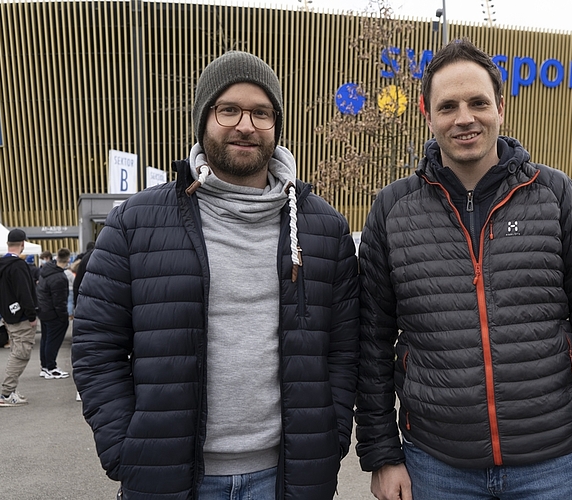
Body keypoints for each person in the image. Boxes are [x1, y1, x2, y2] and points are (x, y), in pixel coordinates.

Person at [356, 40, 572, 500]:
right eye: (447, 106)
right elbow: (370, 344)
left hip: (553, 463)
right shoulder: (393, 209)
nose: (464, 117)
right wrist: (382, 455)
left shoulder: (555, 195)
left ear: (501, 107)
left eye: (477, 102)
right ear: (426, 114)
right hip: (435, 467)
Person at [71, 51, 359, 500]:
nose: (245, 125)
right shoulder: (135, 223)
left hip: (287, 477)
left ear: (276, 126)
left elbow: (344, 348)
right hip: (170, 475)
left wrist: (331, 434)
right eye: (229, 109)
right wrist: (123, 447)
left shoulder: (325, 229)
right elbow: (95, 347)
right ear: (204, 119)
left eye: (261, 113)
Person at [0, 228, 38, 407]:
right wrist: (32, 315)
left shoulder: (0, 265)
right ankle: (6, 393)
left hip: (8, 314)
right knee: (20, 354)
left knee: (16, 351)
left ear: (7, 244)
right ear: (22, 244)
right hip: (21, 317)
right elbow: (24, 293)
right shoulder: (18, 266)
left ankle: (9, 391)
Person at [36, 247, 72, 379]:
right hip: (54, 313)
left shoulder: (45, 272)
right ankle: (51, 367)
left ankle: (45, 366)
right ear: (68, 259)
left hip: (43, 310)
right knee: (53, 341)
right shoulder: (60, 277)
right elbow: (60, 301)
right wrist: (64, 317)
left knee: (46, 340)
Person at [71, 240, 95, 310]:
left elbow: (77, 284)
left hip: (84, 295)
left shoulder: (83, 258)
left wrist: (76, 304)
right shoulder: (101, 257)